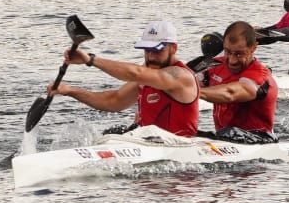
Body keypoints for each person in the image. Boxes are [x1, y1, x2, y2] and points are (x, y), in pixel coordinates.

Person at [47, 20, 200, 136]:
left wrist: (90, 60)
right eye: (147, 50)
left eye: (157, 50)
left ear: (173, 48)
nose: (151, 56)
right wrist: (69, 90)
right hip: (146, 142)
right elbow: (113, 101)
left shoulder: (180, 76)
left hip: (177, 145)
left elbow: (135, 73)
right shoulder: (147, 76)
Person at [197, 21, 278, 142]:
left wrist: (195, 92)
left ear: (253, 48)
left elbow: (231, 94)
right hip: (225, 137)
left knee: (229, 132)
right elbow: (185, 77)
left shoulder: (259, 76)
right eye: (227, 52)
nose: (232, 60)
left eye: (239, 54)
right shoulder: (214, 65)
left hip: (260, 140)